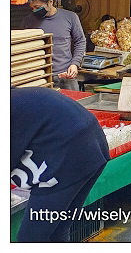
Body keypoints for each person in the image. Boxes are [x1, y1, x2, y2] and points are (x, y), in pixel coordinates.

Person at [11, 88, 109, 242]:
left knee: (30, 239)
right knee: (57, 232)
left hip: (70, 154)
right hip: (91, 143)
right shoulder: (18, 97)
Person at [22, 0, 86, 91]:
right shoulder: (28, 21)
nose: (34, 10)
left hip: (65, 74)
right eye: (32, 8)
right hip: (39, 76)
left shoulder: (70, 17)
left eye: (37, 7)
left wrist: (75, 64)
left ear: (50, 2)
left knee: (71, 104)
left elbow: (80, 41)